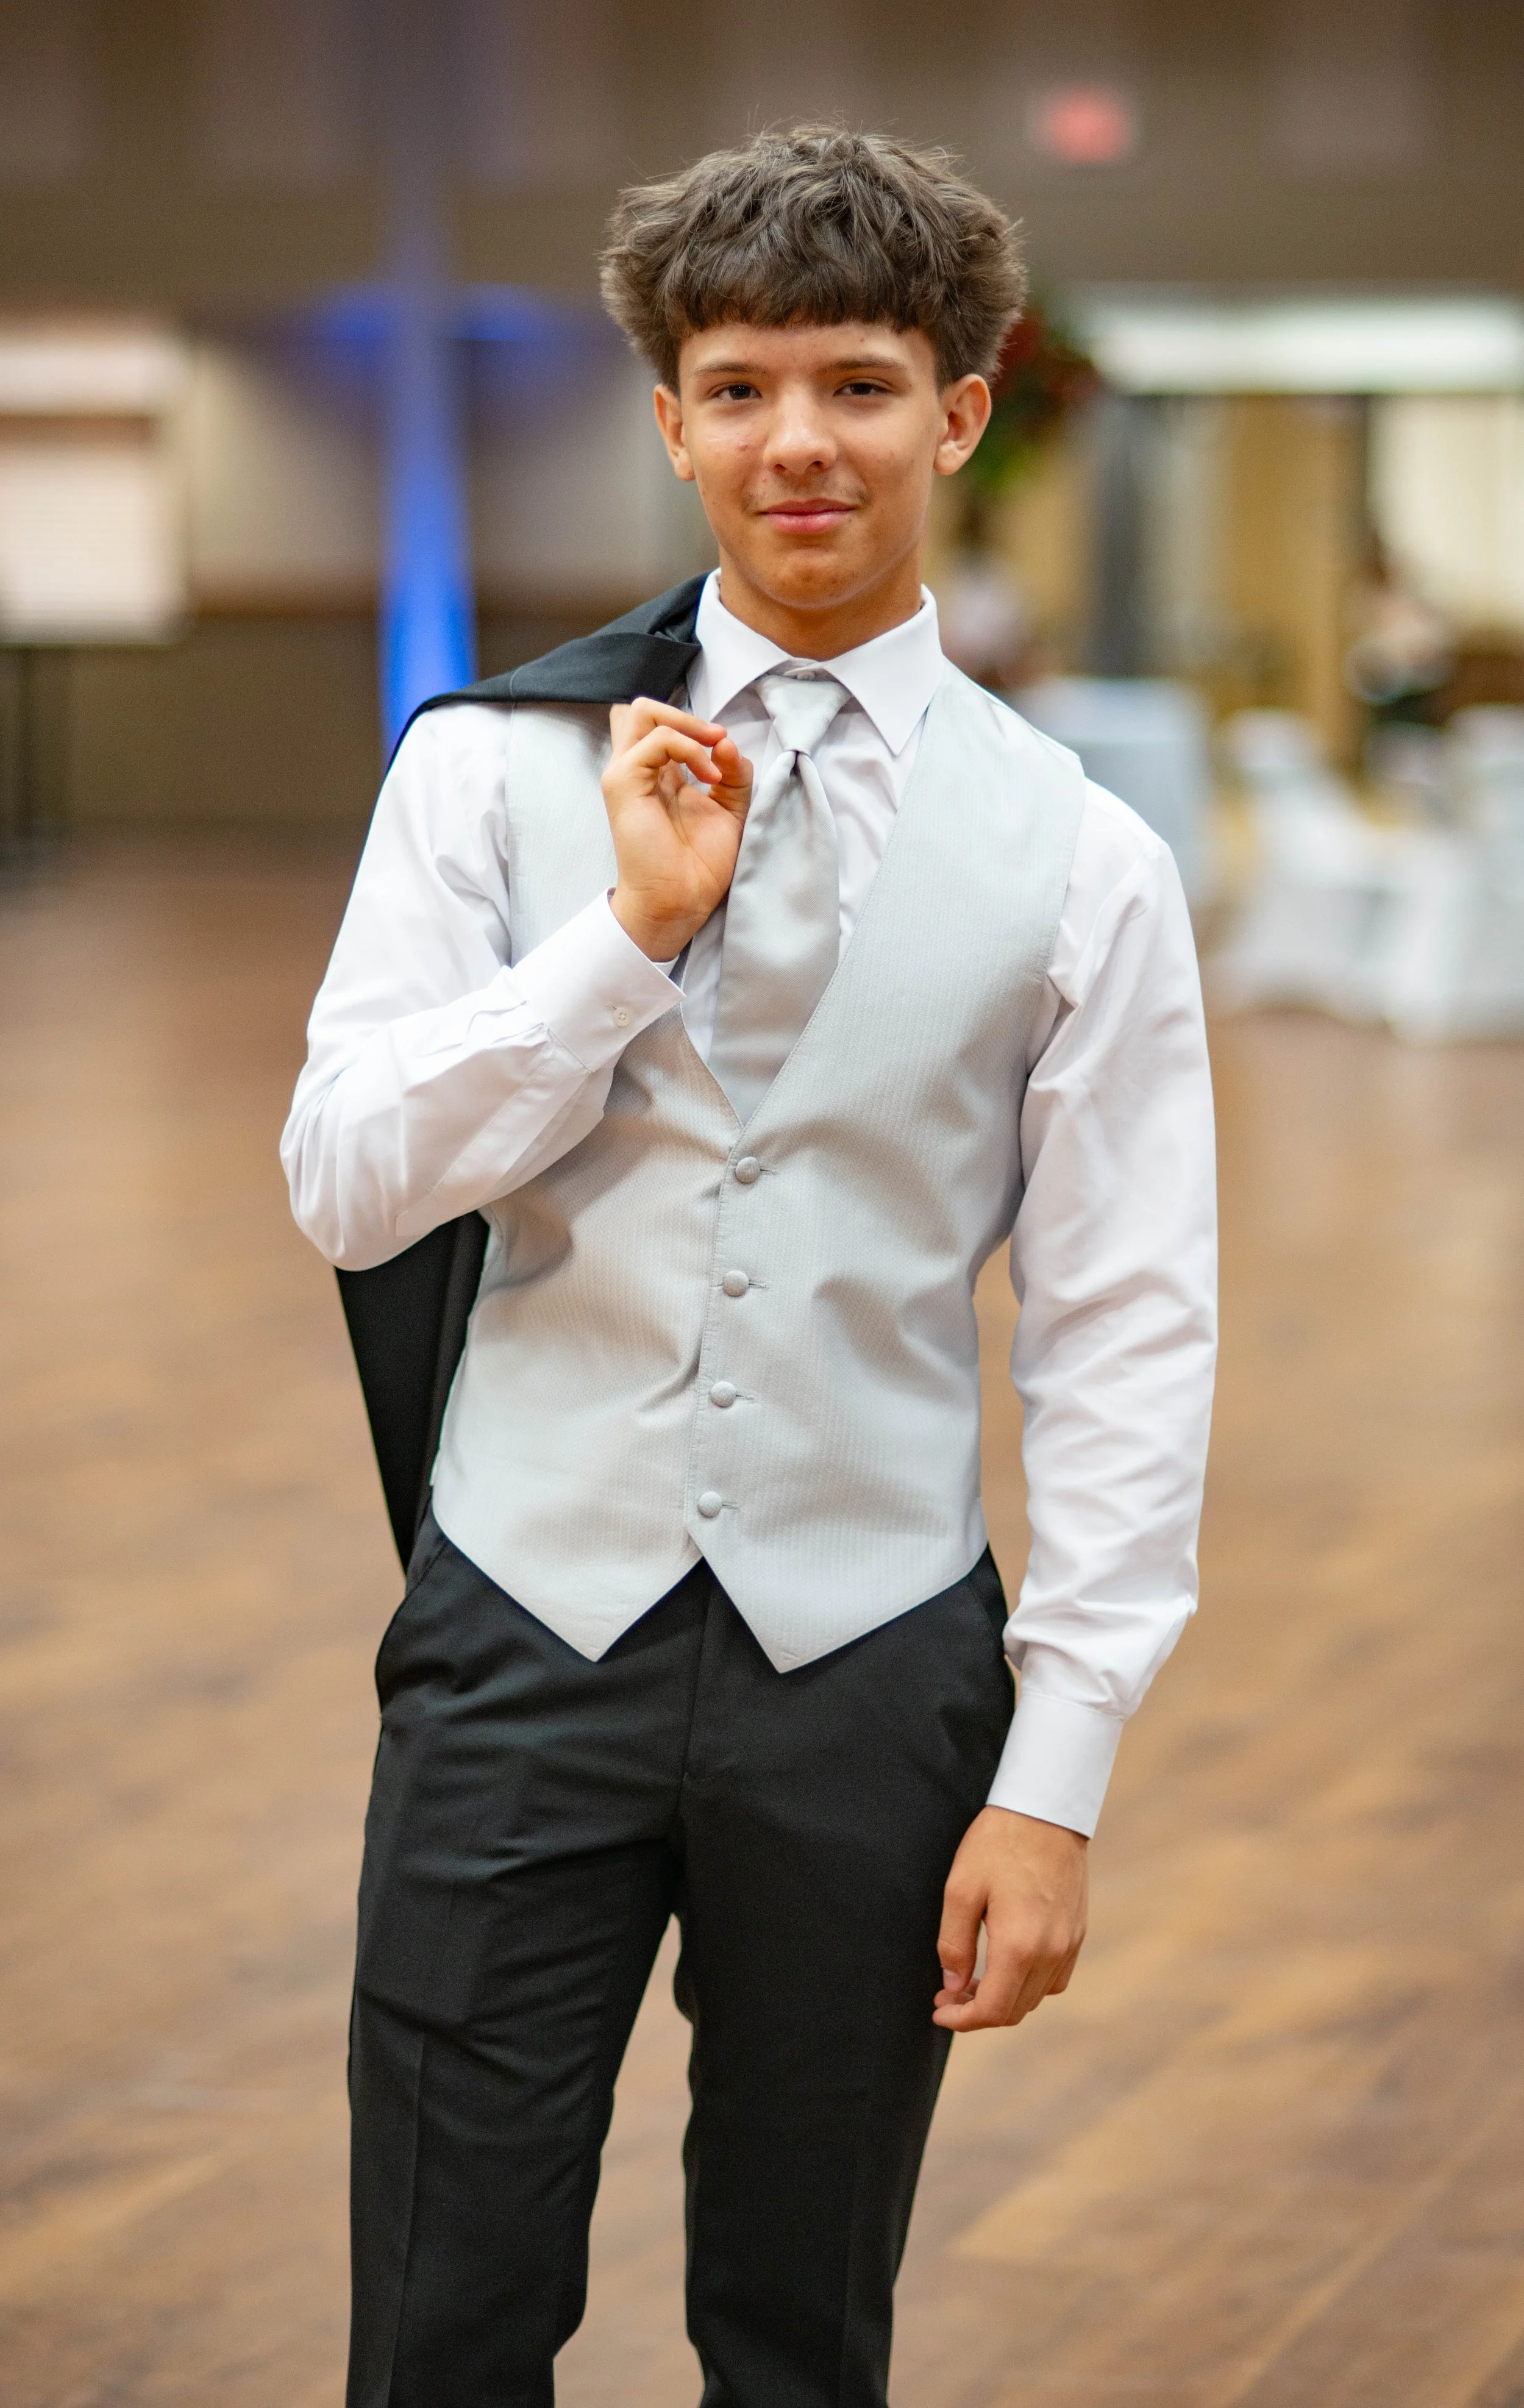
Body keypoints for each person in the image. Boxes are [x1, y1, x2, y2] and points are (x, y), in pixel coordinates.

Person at [282, 124, 1217, 2408]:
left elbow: (1124, 1322)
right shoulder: (483, 775)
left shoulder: (1083, 858)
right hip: (522, 1630)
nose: (797, 439)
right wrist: (620, 943)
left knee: (804, 2327)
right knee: (440, 2309)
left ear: (961, 408)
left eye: (860, 383)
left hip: (872, 1669)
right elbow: (346, 1179)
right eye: (738, 385)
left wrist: (1058, 1765)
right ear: (674, 417)